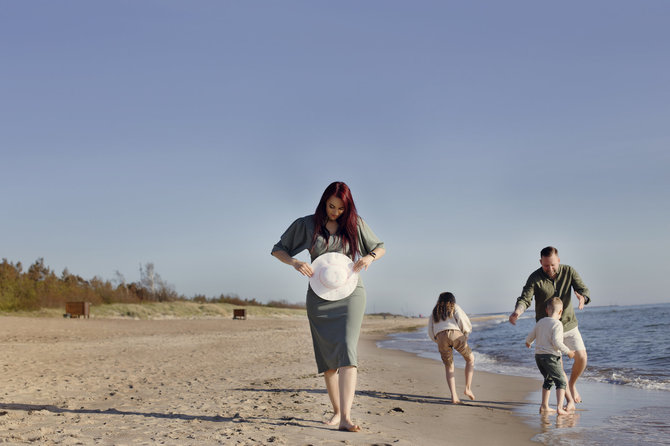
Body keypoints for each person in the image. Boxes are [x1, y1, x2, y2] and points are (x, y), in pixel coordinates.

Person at [271, 181, 385, 433]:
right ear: (324, 202)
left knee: (346, 350)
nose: (335, 212)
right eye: (331, 206)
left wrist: (369, 257)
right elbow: (278, 249)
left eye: (341, 209)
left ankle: (345, 416)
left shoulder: (355, 224)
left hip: (351, 295)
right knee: (328, 359)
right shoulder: (306, 224)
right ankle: (336, 412)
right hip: (319, 297)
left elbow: (380, 247)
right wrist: (294, 262)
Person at [509, 246, 590, 411]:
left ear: (558, 260)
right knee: (558, 369)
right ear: (541, 262)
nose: (550, 269)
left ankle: (572, 384)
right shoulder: (535, 277)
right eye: (546, 265)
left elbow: (582, 289)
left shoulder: (569, 271)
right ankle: (568, 402)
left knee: (582, 357)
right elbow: (525, 298)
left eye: (553, 265)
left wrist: (582, 298)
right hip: (547, 329)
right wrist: (517, 312)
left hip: (569, 324)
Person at [526, 297, 575, 415]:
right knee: (561, 382)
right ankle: (559, 408)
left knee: (548, 380)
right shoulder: (557, 324)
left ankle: (544, 406)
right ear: (560, 312)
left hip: (538, 357)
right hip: (550, 357)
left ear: (547, 310)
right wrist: (568, 351)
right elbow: (557, 342)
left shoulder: (541, 322)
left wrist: (528, 342)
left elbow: (531, 335)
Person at [427, 292, 475, 404]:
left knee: (449, 366)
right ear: (452, 299)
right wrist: (466, 333)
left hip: (440, 337)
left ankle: (454, 397)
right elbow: (462, 320)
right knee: (470, 359)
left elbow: (430, 329)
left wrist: (437, 340)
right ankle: (467, 388)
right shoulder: (454, 307)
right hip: (455, 334)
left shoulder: (435, 312)